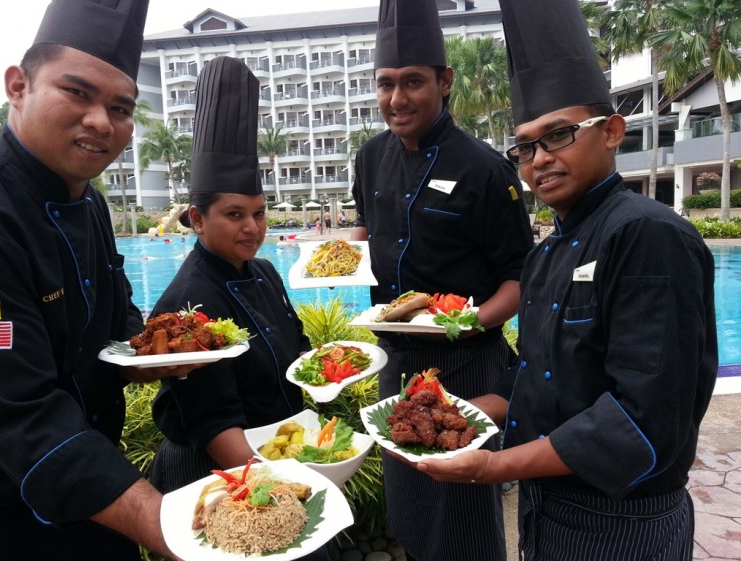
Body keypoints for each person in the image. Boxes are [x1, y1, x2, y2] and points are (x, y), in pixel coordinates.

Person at [416, 1, 718, 560]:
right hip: (548, 506)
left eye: (559, 135)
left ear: (611, 131)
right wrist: (454, 409)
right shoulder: (547, 251)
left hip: (622, 520)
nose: (539, 160)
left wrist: (494, 466)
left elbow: (643, 419)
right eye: (525, 146)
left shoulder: (648, 235)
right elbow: (542, 378)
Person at [0, 1, 191, 559]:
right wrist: (163, 520)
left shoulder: (94, 205)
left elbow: (116, 318)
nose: (102, 121)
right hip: (13, 511)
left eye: (120, 107)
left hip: (98, 487)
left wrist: (159, 353)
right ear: (18, 85)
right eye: (77, 93)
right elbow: (18, 408)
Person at [350, 1, 534, 559]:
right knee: (407, 495)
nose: (396, 99)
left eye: (412, 83)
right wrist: (340, 261)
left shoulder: (483, 167)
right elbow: (362, 235)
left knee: (464, 509)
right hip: (394, 360)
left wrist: (469, 320)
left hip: (466, 361)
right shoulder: (370, 156)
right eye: (385, 84)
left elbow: (520, 277)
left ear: (444, 81)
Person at [148, 57, 328, 561]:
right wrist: (278, 490)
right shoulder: (188, 303)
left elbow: (296, 356)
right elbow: (212, 424)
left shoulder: (265, 273)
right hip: (220, 475)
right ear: (196, 219)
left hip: (275, 459)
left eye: (258, 213)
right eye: (233, 215)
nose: (252, 228)